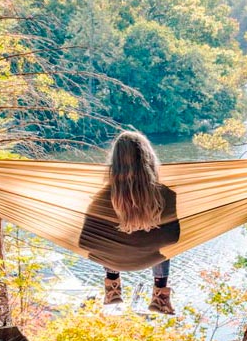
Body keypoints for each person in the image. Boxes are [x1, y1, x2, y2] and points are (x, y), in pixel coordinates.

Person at [77, 131, 180, 314]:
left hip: (113, 261)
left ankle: (112, 286)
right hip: (151, 257)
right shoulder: (166, 195)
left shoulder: (101, 198)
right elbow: (173, 238)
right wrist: (146, 233)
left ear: (114, 163)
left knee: (105, 237)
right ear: (148, 159)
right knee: (164, 248)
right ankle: (160, 294)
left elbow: (84, 241)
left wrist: (116, 237)